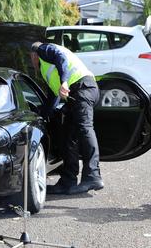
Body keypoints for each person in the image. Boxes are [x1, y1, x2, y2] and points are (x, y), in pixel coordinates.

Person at [30, 41, 103, 194]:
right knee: (67, 137)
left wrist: (64, 81)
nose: (32, 64)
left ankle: (93, 175)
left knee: (85, 129)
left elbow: (61, 58)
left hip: (82, 88)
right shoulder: (45, 70)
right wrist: (42, 116)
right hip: (76, 94)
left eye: (31, 60)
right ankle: (68, 182)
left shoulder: (44, 49)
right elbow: (53, 97)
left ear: (33, 55)